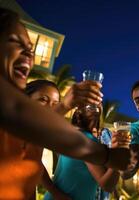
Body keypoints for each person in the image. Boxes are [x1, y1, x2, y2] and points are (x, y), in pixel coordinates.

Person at [0, 7, 130, 199]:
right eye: (14, 41)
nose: (28, 54)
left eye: (30, 49)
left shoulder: (28, 137)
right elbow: (18, 110)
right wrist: (109, 157)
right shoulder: (13, 112)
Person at [44, 105, 121, 200]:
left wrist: (54, 192)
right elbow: (107, 185)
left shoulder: (70, 136)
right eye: (89, 102)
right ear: (78, 112)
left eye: (98, 100)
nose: (95, 102)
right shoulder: (87, 139)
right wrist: (119, 152)